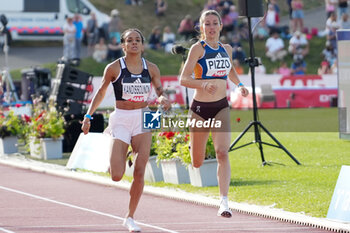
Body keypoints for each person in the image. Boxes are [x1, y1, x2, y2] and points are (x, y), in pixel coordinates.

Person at [81, 28, 170, 232]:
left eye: (138, 40)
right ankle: (120, 148)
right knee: (117, 175)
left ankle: (130, 216)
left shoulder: (152, 68)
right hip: (121, 117)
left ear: (143, 44)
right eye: (129, 40)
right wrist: (88, 116)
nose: (134, 43)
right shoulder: (114, 67)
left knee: (140, 171)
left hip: (145, 116)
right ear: (123, 45)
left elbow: (158, 89)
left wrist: (162, 97)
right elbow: (101, 92)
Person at [179, 10, 249, 218]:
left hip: (221, 106)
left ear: (220, 26)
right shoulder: (197, 49)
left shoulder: (227, 49)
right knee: (197, 162)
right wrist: (204, 83)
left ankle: (224, 202)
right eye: (207, 24)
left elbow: (229, 71)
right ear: (202, 28)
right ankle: (192, 143)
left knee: (222, 152)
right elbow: (184, 79)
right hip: (200, 109)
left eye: (214, 23)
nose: (211, 27)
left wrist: (240, 85)